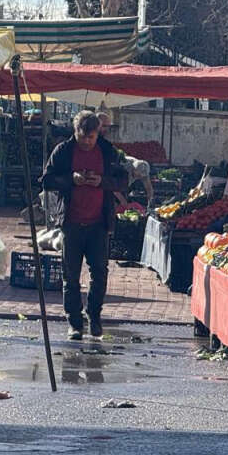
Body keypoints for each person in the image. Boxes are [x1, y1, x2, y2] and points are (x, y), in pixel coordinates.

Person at [41, 110, 128, 340]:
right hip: (71, 222)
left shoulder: (108, 151)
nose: (87, 142)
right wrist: (72, 179)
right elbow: (47, 180)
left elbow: (122, 179)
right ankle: (74, 323)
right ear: (75, 131)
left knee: (99, 273)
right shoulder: (63, 151)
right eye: (83, 137)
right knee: (70, 276)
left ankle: (94, 316)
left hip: (99, 223)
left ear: (98, 133)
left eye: (91, 137)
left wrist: (102, 182)